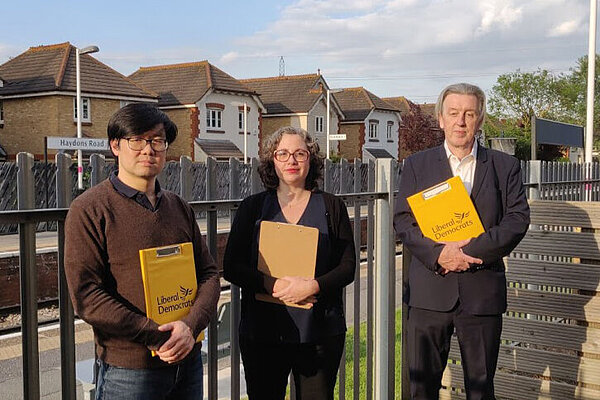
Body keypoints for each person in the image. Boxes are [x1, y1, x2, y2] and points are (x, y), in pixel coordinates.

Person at [64, 103, 220, 400]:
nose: (148, 149)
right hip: (129, 371)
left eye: (157, 141)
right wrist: (156, 336)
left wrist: (189, 327)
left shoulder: (179, 207)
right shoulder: (90, 209)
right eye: (137, 140)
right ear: (115, 146)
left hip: (188, 360)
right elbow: (87, 297)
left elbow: (210, 274)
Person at [394, 83, 530, 400]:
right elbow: (403, 220)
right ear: (440, 118)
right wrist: (440, 254)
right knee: (421, 389)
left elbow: (517, 220)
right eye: (453, 113)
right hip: (429, 293)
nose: (461, 121)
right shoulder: (417, 165)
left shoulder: (505, 166)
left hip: (482, 294)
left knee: (481, 390)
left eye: (469, 114)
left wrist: (468, 250)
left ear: (480, 119)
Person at [223, 126, 355, 400]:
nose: (291, 161)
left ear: (311, 159)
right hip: (263, 333)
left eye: (299, 153)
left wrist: (313, 287)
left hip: (318, 332)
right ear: (272, 160)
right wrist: (275, 285)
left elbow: (347, 266)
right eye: (282, 154)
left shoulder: (332, 206)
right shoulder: (253, 207)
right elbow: (232, 266)